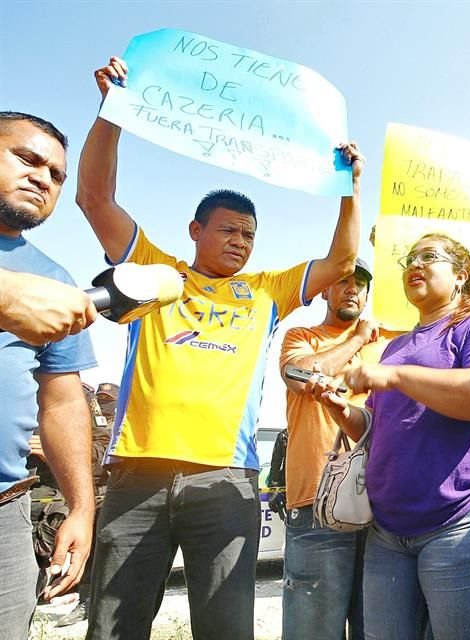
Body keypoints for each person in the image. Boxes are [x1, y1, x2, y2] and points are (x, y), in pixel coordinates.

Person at [76, 58, 365, 640]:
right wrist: (112, 113)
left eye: (250, 235)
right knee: (113, 625)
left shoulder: (267, 293)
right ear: (196, 231)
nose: (240, 242)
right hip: (138, 474)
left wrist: (348, 190)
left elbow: (339, 263)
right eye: (229, 230)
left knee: (227, 629)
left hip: (229, 480)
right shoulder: (154, 271)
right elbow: (93, 198)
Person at [312, 233, 470, 640]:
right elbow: (375, 429)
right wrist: (340, 408)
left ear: (460, 275)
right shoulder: (396, 347)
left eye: (429, 257)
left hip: (461, 517)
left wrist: (395, 376)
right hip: (388, 530)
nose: (415, 265)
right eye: (410, 259)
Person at [0, 111, 97, 637]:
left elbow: (61, 402)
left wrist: (80, 508)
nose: (43, 178)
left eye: (57, 175)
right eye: (27, 159)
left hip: (5, 509)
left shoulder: (57, 281)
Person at [278, 258, 386, 640]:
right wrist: (356, 339)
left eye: (359, 283)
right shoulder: (301, 337)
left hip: (381, 509)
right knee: (313, 630)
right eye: (341, 281)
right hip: (315, 506)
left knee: (376, 628)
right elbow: (301, 376)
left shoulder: (388, 344)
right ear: (324, 289)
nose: (351, 289)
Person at [28, 383, 113, 628]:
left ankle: (87, 600)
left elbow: (103, 450)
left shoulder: (75, 393)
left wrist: (56, 450)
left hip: (53, 509)